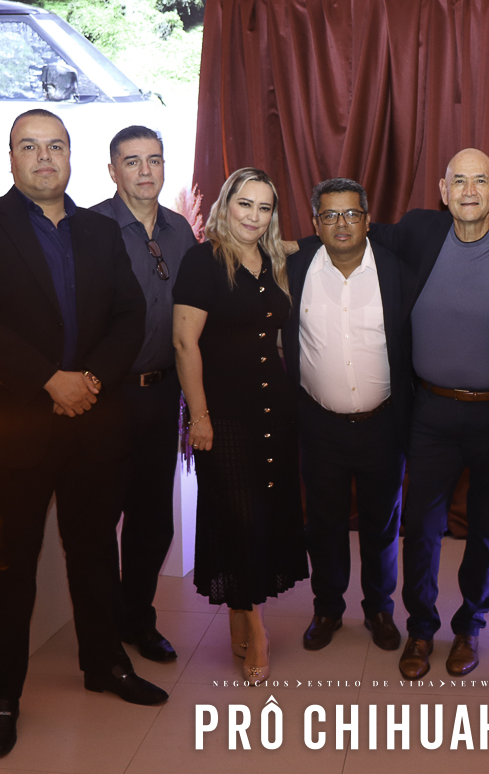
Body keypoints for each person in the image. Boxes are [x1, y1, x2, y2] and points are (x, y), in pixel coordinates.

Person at [0, 109, 167, 761]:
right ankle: (4, 697)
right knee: (11, 564)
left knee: (94, 552)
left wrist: (88, 379)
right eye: (30, 146)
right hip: (18, 424)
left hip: (92, 421)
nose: (45, 157)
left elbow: (129, 315)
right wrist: (49, 381)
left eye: (56, 146)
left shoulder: (100, 230)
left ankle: (105, 664)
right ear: (10, 157)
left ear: (71, 156)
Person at [373, 148, 489, 679]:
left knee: (488, 529)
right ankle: (421, 628)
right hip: (430, 412)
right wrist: (275, 245)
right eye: (458, 181)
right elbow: (349, 235)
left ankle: (470, 626)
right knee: (421, 527)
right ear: (443, 192)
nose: (469, 190)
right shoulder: (418, 231)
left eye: (480, 180)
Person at [172, 167, 308, 685]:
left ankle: (239, 611)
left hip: (274, 409)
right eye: (244, 204)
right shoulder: (202, 261)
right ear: (225, 204)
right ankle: (256, 629)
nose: (253, 216)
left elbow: (295, 249)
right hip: (224, 415)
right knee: (240, 517)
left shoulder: (271, 260)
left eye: (264, 207)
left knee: (264, 514)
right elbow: (184, 343)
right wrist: (199, 416)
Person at [282, 178, 412, 653]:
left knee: (382, 525)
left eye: (352, 213)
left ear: (367, 220)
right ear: (315, 222)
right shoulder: (293, 267)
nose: (342, 223)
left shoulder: (396, 270)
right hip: (319, 425)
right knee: (323, 524)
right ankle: (327, 608)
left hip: (383, 425)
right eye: (330, 215)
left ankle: (379, 608)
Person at [89, 125, 196, 663]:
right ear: (113, 171)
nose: (145, 171)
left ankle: (138, 618)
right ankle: (104, 626)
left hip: (162, 395)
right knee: (99, 518)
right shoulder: (90, 229)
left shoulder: (181, 231)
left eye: (153, 159)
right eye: (132, 161)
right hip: (105, 399)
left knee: (153, 520)